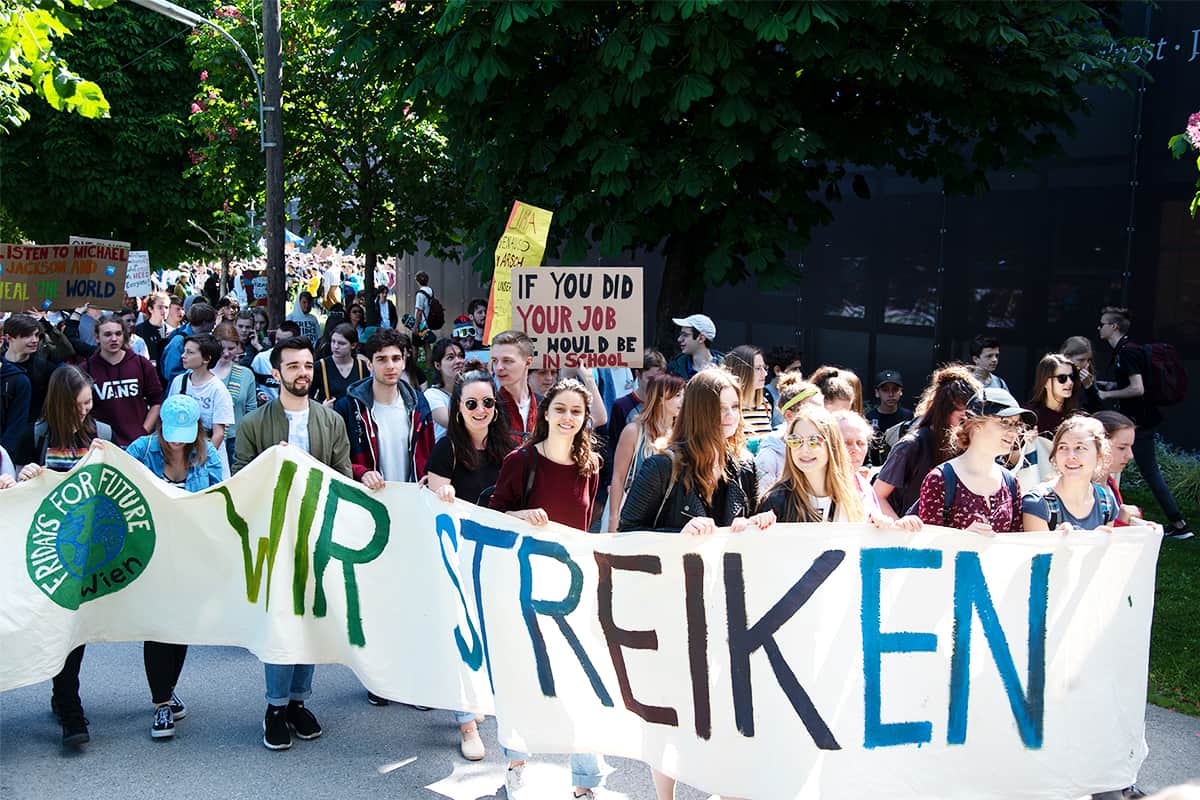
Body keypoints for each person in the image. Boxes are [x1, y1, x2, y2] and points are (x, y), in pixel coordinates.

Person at [618, 369, 772, 800]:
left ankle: (723, 788)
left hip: (727, 605)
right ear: (699, 412)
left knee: (727, 705)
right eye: (720, 408)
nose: (730, 417)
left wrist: (756, 526)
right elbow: (627, 535)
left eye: (736, 407)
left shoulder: (745, 465)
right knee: (673, 711)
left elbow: (749, 530)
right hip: (672, 608)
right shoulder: (661, 465)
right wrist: (679, 537)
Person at [488, 378, 607, 799]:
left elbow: (585, 523)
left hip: (571, 589)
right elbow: (493, 515)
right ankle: (517, 764)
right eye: (561, 409)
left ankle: (585, 781)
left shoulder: (590, 465)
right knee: (522, 679)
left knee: (581, 684)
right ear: (545, 412)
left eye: (577, 411)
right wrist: (522, 516)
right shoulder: (521, 461)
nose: (568, 417)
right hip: (523, 586)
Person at [233, 335, 352, 750]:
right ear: (276, 372)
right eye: (293, 367)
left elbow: (343, 475)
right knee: (283, 620)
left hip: (319, 535)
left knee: (314, 619)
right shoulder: (252, 425)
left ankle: (300, 701)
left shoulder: (330, 421)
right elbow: (239, 482)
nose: (302, 373)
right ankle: (275, 707)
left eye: (306, 365)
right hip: (276, 538)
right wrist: (272, 464)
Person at [14, 365, 113, 746]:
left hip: (88, 556)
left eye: (89, 402)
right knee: (56, 628)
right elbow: (15, 482)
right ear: (60, 403)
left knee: (73, 631)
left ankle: (70, 707)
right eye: (79, 404)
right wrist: (27, 474)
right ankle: (65, 699)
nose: (86, 410)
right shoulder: (35, 435)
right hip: (46, 554)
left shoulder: (101, 435)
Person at [424, 370, 517, 761]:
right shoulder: (446, 448)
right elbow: (432, 504)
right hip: (457, 556)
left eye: (488, 403)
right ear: (458, 409)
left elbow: (514, 498)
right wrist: (441, 492)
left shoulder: (508, 448)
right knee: (462, 635)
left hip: (496, 556)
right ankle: (466, 722)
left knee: (492, 634)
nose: (481, 410)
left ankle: (482, 699)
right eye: (471, 403)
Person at [125, 394, 224, 739]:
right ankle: (161, 703)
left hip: (189, 555)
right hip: (150, 554)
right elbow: (117, 491)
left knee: (180, 627)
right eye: (171, 432)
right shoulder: (141, 450)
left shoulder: (207, 453)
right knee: (158, 628)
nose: (177, 440)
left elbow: (220, 497)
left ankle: (167, 689)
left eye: (185, 432)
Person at [1095, 306, 1191, 540]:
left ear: (1113, 327)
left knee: (1148, 471)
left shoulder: (1127, 352)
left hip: (1140, 423)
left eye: (1103, 324)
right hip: (1140, 421)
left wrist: (1107, 395)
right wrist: (1110, 385)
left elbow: (1138, 388)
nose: (1099, 328)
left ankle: (1179, 524)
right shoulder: (1128, 350)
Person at [915, 388, 1032, 533]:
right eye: (1005, 422)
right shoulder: (940, 480)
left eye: (1016, 424)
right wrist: (964, 538)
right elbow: (927, 546)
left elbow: (1017, 544)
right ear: (977, 425)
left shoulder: (1011, 483)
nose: (1014, 432)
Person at [875, 364, 980, 519]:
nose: (967, 427)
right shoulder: (911, 446)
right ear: (943, 411)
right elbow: (877, 496)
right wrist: (899, 527)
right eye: (962, 419)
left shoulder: (971, 448)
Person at [760, 405, 886, 523]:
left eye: (814, 440)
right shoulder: (776, 500)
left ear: (832, 445)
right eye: (795, 440)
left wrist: (880, 525)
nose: (804, 449)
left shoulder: (857, 494)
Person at [606, 372, 684, 531]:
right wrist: (614, 519)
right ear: (660, 397)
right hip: (632, 511)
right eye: (677, 395)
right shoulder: (634, 431)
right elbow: (618, 478)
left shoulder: (682, 434)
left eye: (684, 395)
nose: (683, 400)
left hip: (667, 515)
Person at [1021, 415, 1118, 533]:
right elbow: (1038, 551)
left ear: (1099, 455)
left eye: (1080, 447)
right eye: (1063, 447)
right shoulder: (1038, 502)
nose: (1070, 455)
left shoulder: (1106, 502)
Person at [82, 315, 165, 447]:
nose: (114, 339)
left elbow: (156, 402)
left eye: (118, 334)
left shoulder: (141, 364)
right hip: (103, 444)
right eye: (107, 334)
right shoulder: (86, 369)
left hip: (138, 443)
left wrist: (143, 431)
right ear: (97, 338)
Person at [166, 333, 234, 478]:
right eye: (184, 351)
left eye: (190, 353)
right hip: (181, 450)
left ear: (206, 358)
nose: (184, 356)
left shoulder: (218, 389)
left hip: (207, 451)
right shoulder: (179, 382)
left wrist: (203, 460)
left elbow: (219, 433)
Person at [2, 314, 55, 463]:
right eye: (26, 335)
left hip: (33, 443)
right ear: (9, 338)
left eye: (37, 335)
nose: (34, 340)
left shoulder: (45, 369)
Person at [754, 373, 823, 489]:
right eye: (811, 411)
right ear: (789, 415)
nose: (820, 417)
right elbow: (762, 501)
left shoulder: (824, 447)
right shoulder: (769, 456)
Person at [212, 323, 258, 461]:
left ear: (238, 346)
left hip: (236, 440)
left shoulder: (246, 374)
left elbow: (251, 411)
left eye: (231, 348)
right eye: (221, 348)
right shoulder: (201, 372)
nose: (226, 353)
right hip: (207, 438)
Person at [1093, 410, 1144, 527]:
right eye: (1122, 448)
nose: (1130, 455)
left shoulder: (1109, 482)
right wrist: (1121, 522)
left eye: (1130, 447)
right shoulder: (1081, 490)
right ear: (1098, 445)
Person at [490, 329, 539, 441]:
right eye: (494, 361)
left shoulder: (545, 405)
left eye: (507, 360)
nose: (498, 368)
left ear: (528, 362)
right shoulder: (489, 407)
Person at [310, 323, 371, 404]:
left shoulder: (362, 366)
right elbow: (307, 397)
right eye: (333, 341)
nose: (336, 346)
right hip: (330, 415)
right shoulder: (320, 366)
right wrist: (322, 406)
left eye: (341, 343)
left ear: (353, 345)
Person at [725, 344, 774, 440]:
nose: (765, 373)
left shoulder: (765, 405)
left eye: (765, 368)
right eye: (758, 368)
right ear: (742, 371)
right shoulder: (729, 408)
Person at [865, 369, 913, 466]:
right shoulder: (869, 418)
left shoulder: (908, 416)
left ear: (901, 392)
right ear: (877, 393)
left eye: (895, 389)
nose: (891, 394)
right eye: (885, 390)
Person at [160, 302, 217, 384]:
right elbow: (170, 373)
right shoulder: (178, 342)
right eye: (213, 321)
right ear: (204, 322)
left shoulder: (207, 339)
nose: (214, 324)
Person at [1027, 354, 1079, 436]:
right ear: (1045, 381)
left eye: (1072, 377)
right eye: (1062, 378)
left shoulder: (1076, 418)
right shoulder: (1029, 416)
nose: (1070, 382)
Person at [424, 338, 465, 440]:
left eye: (460, 356)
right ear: (438, 365)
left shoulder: (467, 390)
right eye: (450, 358)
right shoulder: (432, 395)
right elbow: (453, 424)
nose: (458, 361)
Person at [667, 313, 723, 379]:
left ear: (701, 338)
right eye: (681, 334)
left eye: (685, 335)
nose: (679, 339)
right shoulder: (673, 368)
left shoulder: (727, 368)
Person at [1060, 335, 1103, 413]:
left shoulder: (1088, 376)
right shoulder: (1056, 376)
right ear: (1067, 357)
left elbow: (1097, 410)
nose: (1086, 364)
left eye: (1088, 360)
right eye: (1081, 360)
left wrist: (1089, 388)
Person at [763, 344, 803, 426]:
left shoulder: (800, 395)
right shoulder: (764, 396)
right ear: (777, 370)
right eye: (794, 369)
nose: (799, 373)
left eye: (799, 369)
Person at [135, 292, 170, 364]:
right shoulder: (139, 330)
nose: (164, 311)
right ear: (150, 309)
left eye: (166, 307)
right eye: (160, 307)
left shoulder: (170, 331)